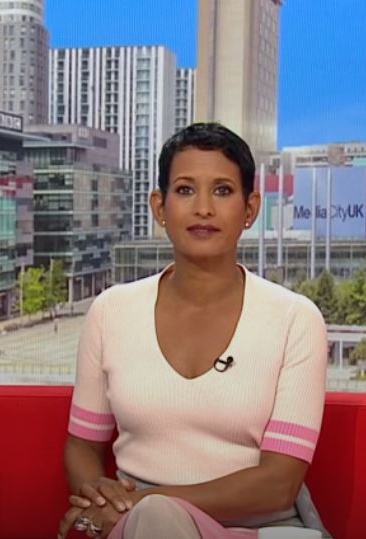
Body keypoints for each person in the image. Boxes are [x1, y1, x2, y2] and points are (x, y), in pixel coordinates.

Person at [58, 123, 329, 539]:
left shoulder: (295, 319)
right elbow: (82, 446)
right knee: (157, 523)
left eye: (222, 191)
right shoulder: (111, 311)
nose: (203, 208)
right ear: (159, 206)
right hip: (139, 525)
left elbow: (279, 486)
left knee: (158, 518)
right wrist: (102, 506)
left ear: (250, 208)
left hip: (260, 527)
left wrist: (143, 503)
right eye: (185, 190)